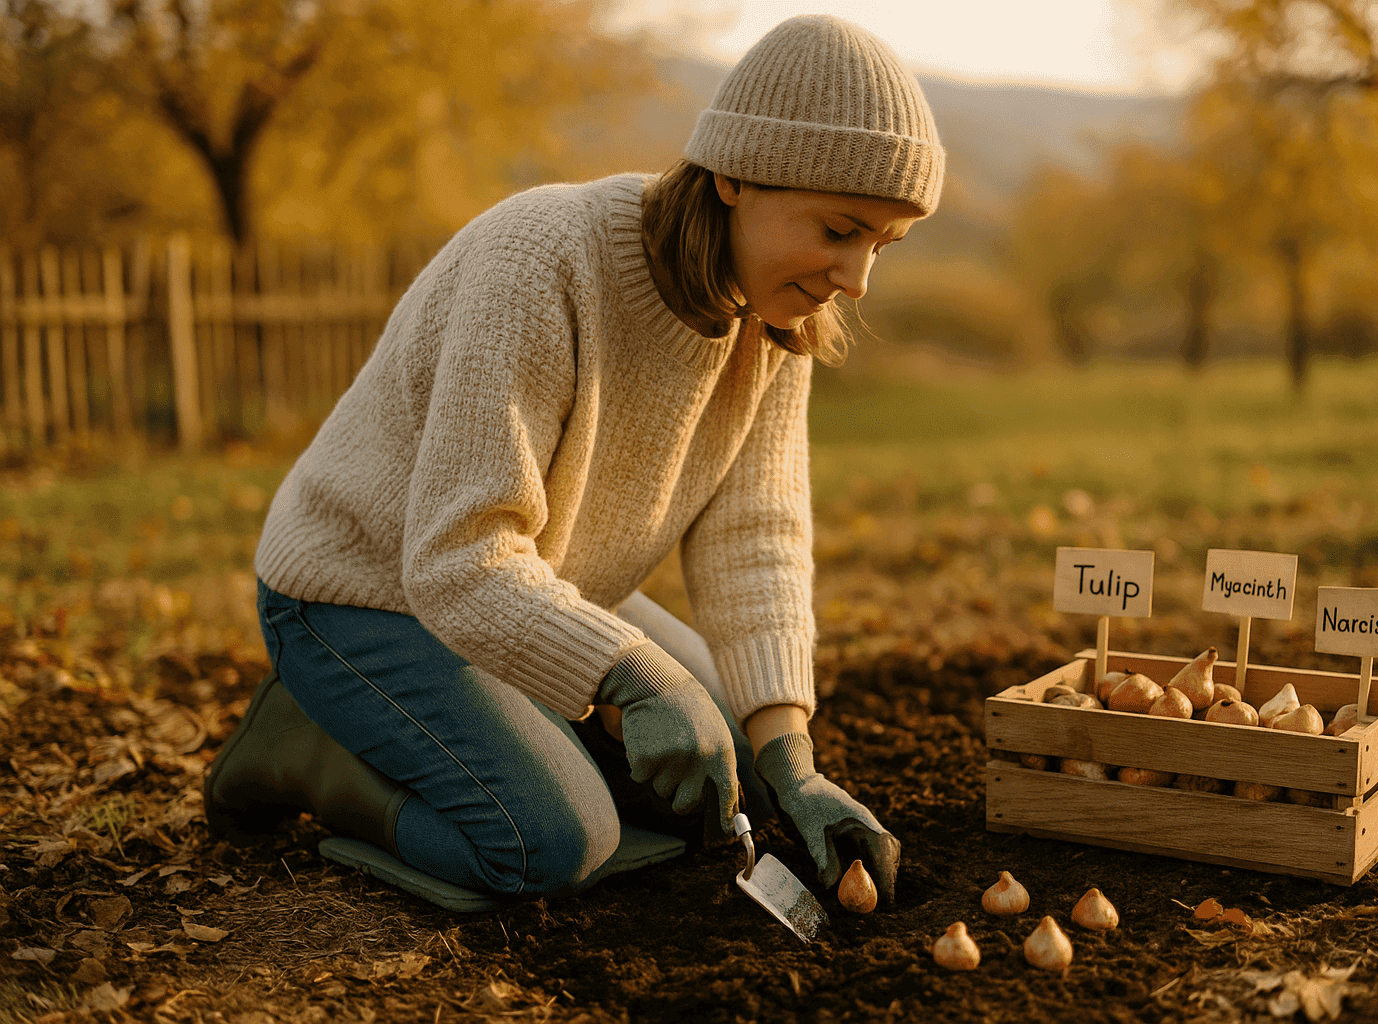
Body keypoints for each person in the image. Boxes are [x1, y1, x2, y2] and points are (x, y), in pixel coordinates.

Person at [202, 13, 945, 911]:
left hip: (533, 581)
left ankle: (542, 727)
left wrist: (793, 761)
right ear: (735, 177)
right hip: (363, 591)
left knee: (735, 776)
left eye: (883, 246)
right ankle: (307, 750)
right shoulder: (542, 259)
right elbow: (458, 557)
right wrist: (636, 675)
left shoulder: (772, 313)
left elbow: (756, 541)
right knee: (551, 845)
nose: (857, 278)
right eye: (839, 230)